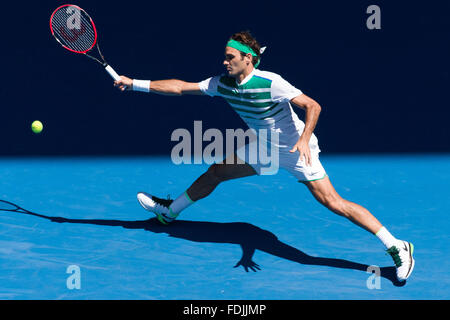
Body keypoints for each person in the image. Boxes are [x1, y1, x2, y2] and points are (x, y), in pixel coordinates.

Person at [114, 31, 414, 282]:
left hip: (297, 150)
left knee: (332, 204)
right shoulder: (221, 83)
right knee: (216, 173)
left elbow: (313, 106)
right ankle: (170, 212)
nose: (225, 61)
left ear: (248, 58)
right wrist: (135, 83)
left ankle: (396, 246)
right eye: (225, 55)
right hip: (264, 147)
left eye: (231, 56)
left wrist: (305, 139)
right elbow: (180, 88)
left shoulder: (271, 82)